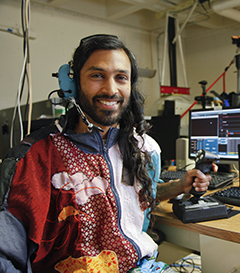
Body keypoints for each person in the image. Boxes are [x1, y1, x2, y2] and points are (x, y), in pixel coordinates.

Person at [0, 34, 213, 273]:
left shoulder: (144, 148)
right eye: (97, 75)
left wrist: (178, 186)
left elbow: (137, 201)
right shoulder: (33, 158)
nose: (111, 89)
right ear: (72, 83)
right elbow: (6, 255)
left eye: (120, 78)